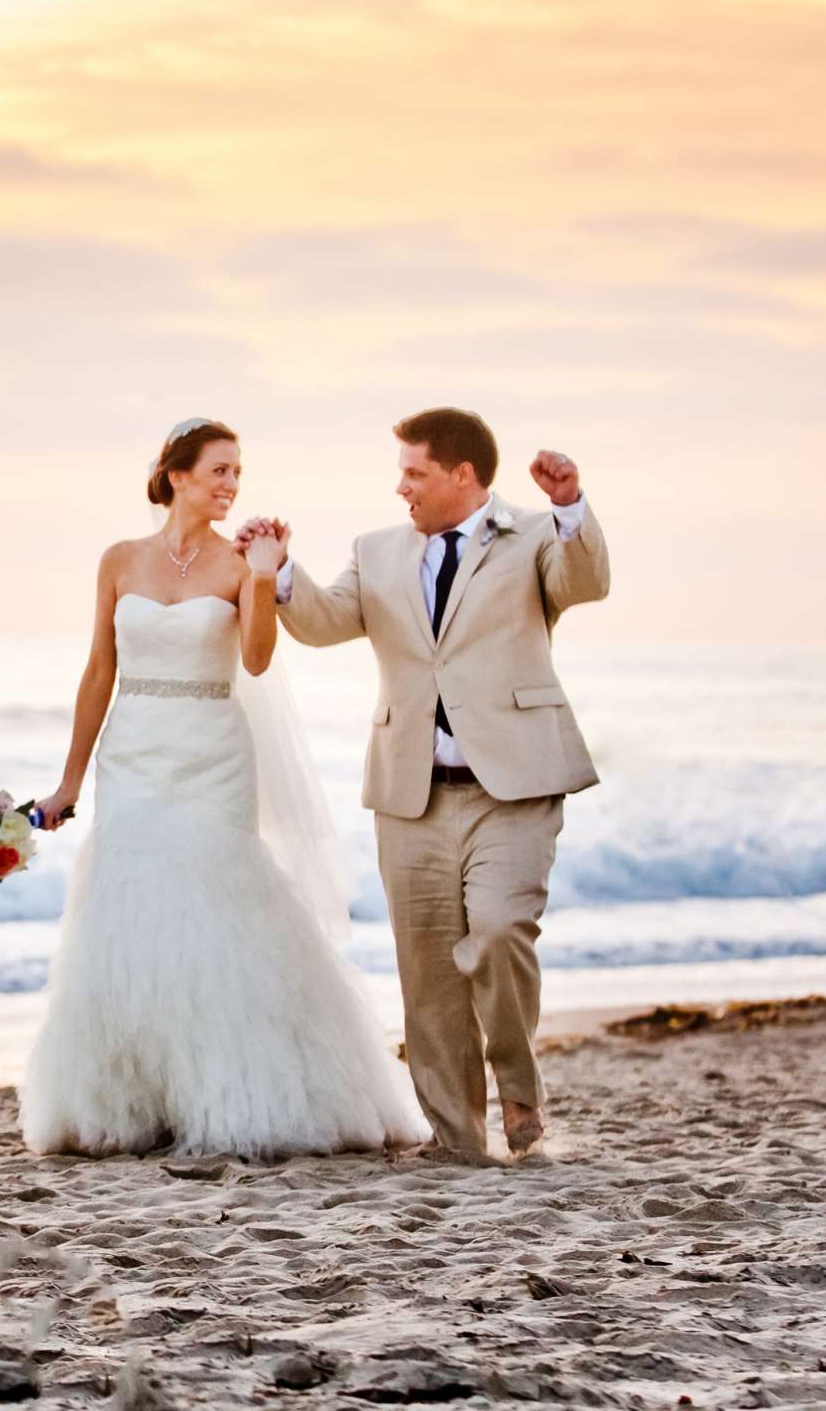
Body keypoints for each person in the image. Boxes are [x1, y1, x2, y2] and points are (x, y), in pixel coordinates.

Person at [19, 418, 428, 1159]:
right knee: (130, 917)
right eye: (218, 470)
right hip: (134, 754)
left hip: (211, 752)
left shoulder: (239, 562)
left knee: (216, 913)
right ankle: (137, 1098)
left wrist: (265, 575)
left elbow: (260, 658)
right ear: (175, 474)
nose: (232, 484)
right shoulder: (119, 560)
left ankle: (232, 1087)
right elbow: (98, 671)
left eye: (238, 472)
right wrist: (68, 782)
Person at [240, 407, 607, 1159]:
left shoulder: (535, 535)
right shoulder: (375, 551)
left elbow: (584, 580)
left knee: (501, 932)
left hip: (514, 785)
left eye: (414, 471)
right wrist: (278, 570)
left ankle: (518, 1085)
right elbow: (323, 620)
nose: (400, 485)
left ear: (462, 475)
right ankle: (458, 1139)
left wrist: (570, 505)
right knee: (430, 972)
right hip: (412, 791)